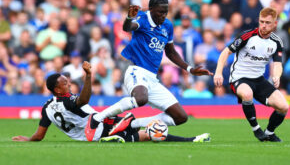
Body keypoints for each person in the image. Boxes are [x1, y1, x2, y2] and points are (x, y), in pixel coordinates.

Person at [84, 0, 213, 140]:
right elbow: (128, 28)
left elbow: (170, 52)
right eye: (160, 12)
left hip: (152, 79)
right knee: (140, 99)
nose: (163, 16)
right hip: (136, 71)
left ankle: (131, 124)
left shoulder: (167, 26)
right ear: (151, 9)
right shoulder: (142, 18)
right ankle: (97, 118)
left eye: (166, 12)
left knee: (180, 117)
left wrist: (190, 69)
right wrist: (128, 18)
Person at [11, 62, 210, 143]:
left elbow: (39, 134)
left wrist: (29, 140)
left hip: (91, 132)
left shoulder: (47, 107)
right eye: (65, 82)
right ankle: (191, 141)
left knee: (138, 123)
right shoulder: (68, 101)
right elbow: (84, 100)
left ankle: (190, 137)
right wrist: (88, 76)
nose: (69, 83)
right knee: (152, 132)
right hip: (98, 129)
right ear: (57, 89)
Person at [213, 7, 289, 142]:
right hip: (239, 77)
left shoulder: (277, 42)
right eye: (261, 22)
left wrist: (276, 76)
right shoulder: (247, 36)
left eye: (267, 23)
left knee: (283, 107)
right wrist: (218, 72)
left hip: (259, 79)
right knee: (247, 94)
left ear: (275, 24)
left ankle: (269, 133)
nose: (264, 26)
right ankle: (256, 129)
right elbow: (226, 52)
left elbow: (277, 64)